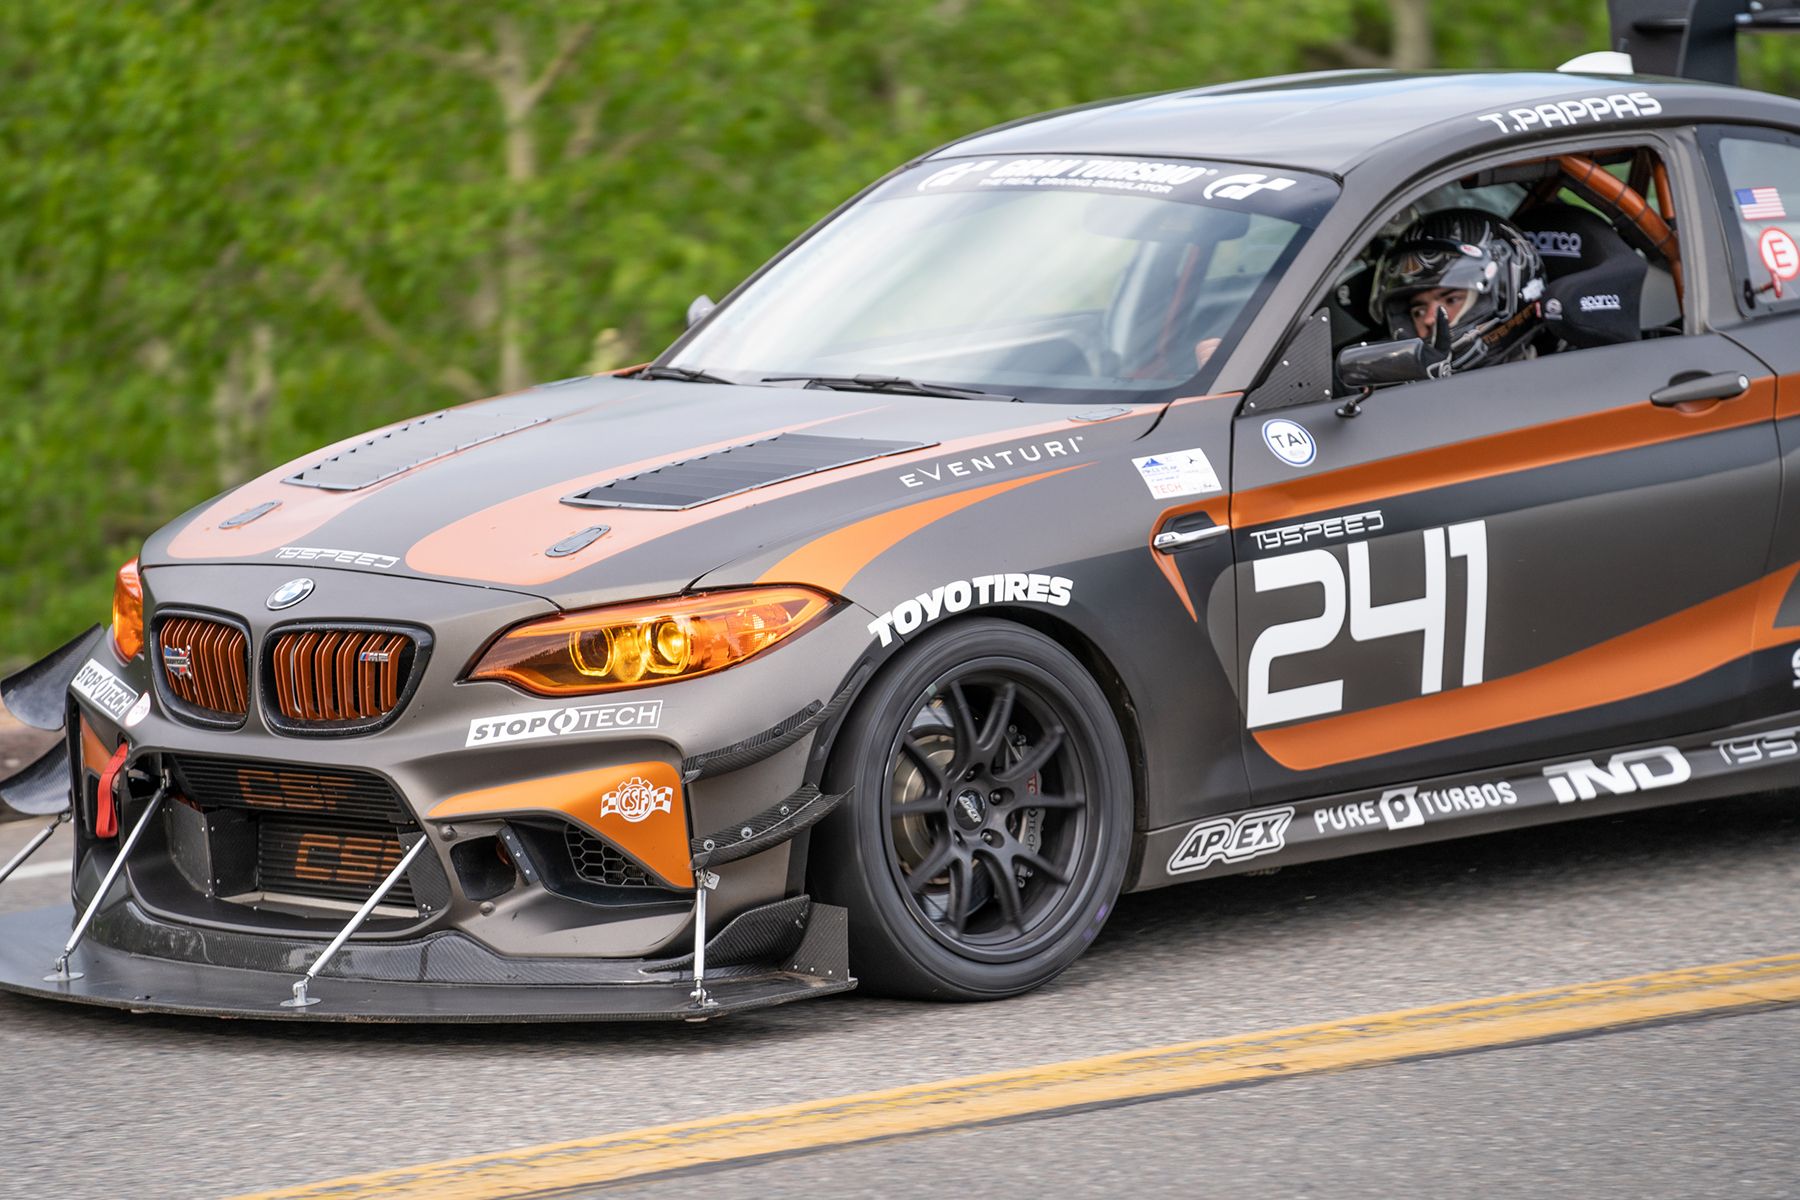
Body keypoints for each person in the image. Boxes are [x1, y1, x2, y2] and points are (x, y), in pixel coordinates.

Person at [1369, 209, 1547, 372]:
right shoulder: (1389, 391)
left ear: (1503, 299)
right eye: (1419, 311)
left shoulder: (1548, 395)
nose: (1430, 318)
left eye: (1451, 300)